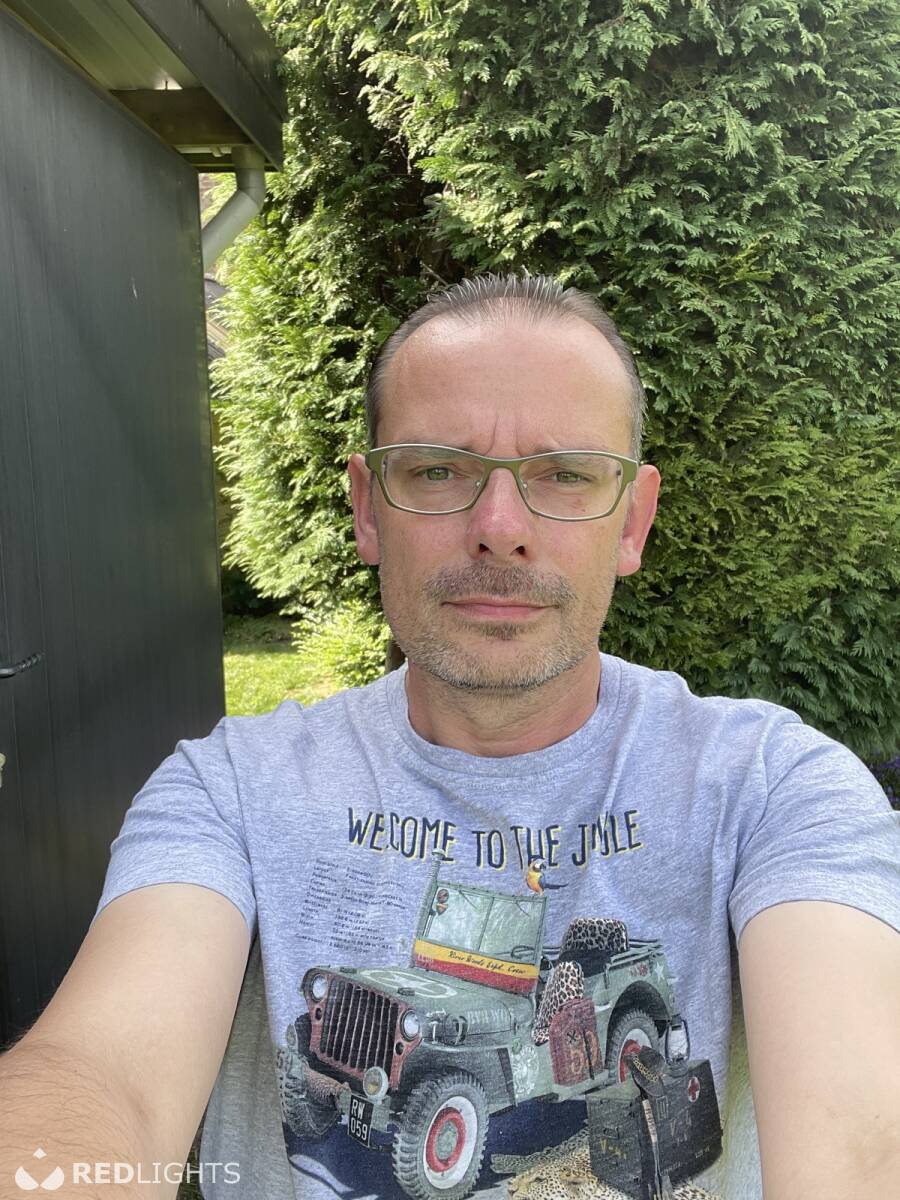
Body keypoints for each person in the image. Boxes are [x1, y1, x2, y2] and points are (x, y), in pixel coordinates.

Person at [3, 274, 899, 1200]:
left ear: (631, 521)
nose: (500, 529)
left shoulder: (772, 789)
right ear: (368, 509)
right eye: (437, 470)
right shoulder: (232, 789)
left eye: (565, 474)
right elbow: (100, 1076)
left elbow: (861, 1134)